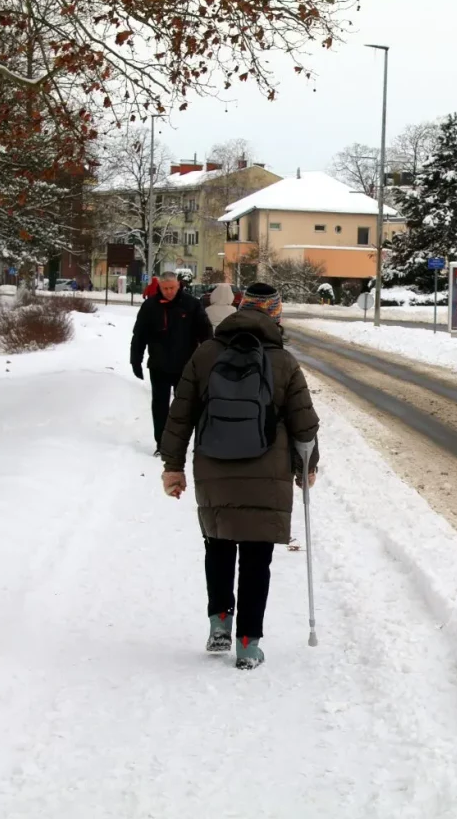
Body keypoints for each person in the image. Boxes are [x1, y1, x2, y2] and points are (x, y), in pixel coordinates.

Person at [159, 282, 320, 670]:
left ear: (238, 309)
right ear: (275, 316)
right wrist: (307, 468)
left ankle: (219, 624)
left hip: (214, 465)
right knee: (255, 557)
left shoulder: (207, 353)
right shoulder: (283, 362)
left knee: (217, 545)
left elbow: (180, 414)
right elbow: (305, 425)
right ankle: (248, 642)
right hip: (267, 468)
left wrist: (173, 466)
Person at [131, 272, 212, 456]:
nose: (169, 292)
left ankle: (184, 442)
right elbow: (139, 336)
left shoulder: (191, 304)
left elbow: (206, 333)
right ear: (159, 287)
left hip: (186, 365)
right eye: (165, 288)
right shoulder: (150, 306)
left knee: (185, 406)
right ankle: (162, 444)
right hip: (159, 365)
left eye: (172, 288)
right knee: (160, 406)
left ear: (178, 285)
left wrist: (208, 359)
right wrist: (136, 359)